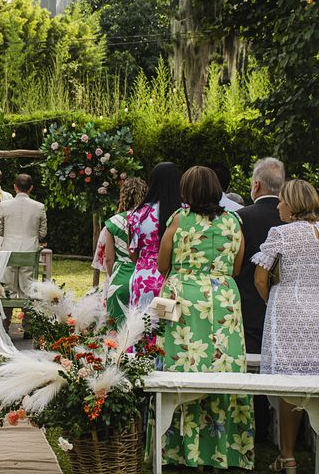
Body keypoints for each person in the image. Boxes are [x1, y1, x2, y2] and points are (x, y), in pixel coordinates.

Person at [157, 166, 254, 471]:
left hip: (183, 300)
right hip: (223, 300)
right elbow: (237, 266)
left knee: (181, 367)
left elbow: (162, 263)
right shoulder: (233, 221)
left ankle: (181, 450)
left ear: (186, 191)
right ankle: (222, 451)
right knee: (223, 368)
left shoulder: (178, 219)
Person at [253, 179, 319, 474]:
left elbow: (260, 279)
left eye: (281, 201)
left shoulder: (280, 233)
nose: (277, 205)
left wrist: (274, 302)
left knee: (286, 384)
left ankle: (288, 456)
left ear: (291, 206)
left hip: (288, 311)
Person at [235, 157, 285, 442]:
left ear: (255, 185)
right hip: (287, 304)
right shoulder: (296, 220)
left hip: (247, 301)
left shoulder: (241, 216)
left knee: (250, 365)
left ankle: (254, 424)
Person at [0, 174, 47, 335]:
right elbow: (43, 233)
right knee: (28, 289)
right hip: (29, 251)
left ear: (15, 187)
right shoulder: (39, 207)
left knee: (8, 289)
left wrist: (9, 235)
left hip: (9, 251)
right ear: (31, 188)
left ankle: (4, 325)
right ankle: (29, 328)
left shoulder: (4, 205)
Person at [92, 177, 148, 326]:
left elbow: (109, 259)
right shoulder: (149, 220)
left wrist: (114, 277)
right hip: (144, 277)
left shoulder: (114, 222)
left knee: (117, 330)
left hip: (120, 277)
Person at [128, 162, 181, 309]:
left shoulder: (139, 213)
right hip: (177, 282)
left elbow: (133, 252)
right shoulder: (186, 214)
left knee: (142, 329)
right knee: (171, 331)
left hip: (144, 279)